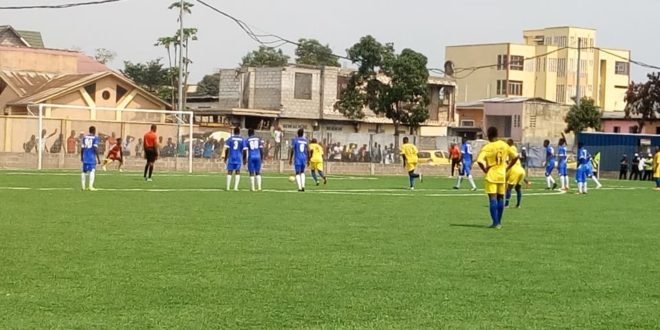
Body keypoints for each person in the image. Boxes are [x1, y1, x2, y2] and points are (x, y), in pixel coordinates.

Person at [477, 127, 517, 229]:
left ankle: (495, 222)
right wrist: (508, 167)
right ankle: (499, 222)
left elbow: (479, 161)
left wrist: (485, 170)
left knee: (492, 199)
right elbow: (516, 157)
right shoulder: (504, 145)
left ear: (489, 135)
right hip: (501, 174)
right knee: (500, 198)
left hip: (491, 175)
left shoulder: (487, 147)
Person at [505, 139, 526, 208]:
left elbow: (507, 161)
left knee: (509, 188)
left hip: (514, 170)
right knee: (518, 188)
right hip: (522, 170)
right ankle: (518, 205)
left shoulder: (508, 150)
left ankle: (506, 204)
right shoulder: (515, 149)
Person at [225, 127, 246, 191]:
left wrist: (226, 158)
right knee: (237, 171)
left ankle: (228, 187)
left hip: (231, 157)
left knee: (229, 171)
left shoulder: (230, 139)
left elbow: (227, 149)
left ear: (234, 132)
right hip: (238, 157)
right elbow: (244, 150)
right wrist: (244, 159)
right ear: (239, 132)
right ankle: (235, 188)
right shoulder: (242, 139)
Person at [80, 126, 101, 191]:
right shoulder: (95, 138)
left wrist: (81, 157)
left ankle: (83, 187)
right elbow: (95, 148)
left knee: (84, 171)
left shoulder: (84, 137)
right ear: (94, 131)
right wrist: (98, 158)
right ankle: (90, 186)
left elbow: (82, 148)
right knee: (92, 171)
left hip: (85, 157)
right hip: (91, 157)